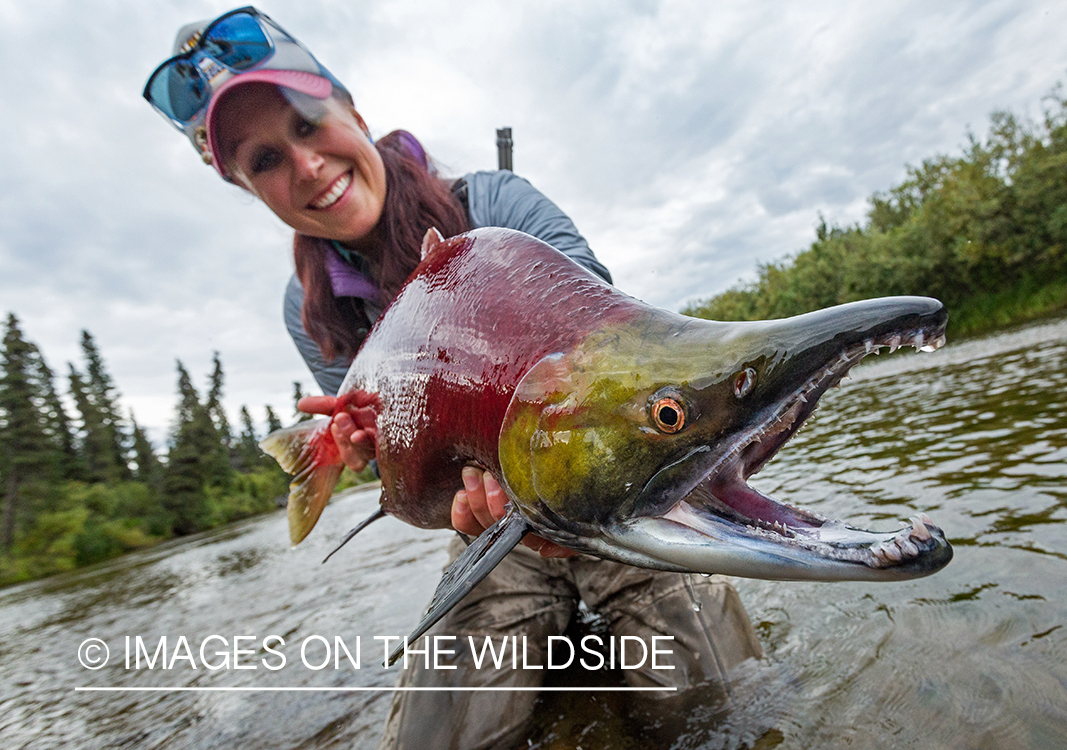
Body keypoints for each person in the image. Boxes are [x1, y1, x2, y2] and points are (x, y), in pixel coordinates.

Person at [144, 8, 762, 748]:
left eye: (307, 126)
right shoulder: (306, 310)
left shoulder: (497, 202)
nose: (305, 166)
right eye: (265, 161)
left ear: (353, 112)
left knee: (733, 719)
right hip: (491, 535)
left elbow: (609, 351)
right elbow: (405, 472)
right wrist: (369, 453)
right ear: (251, 192)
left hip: (613, 494)